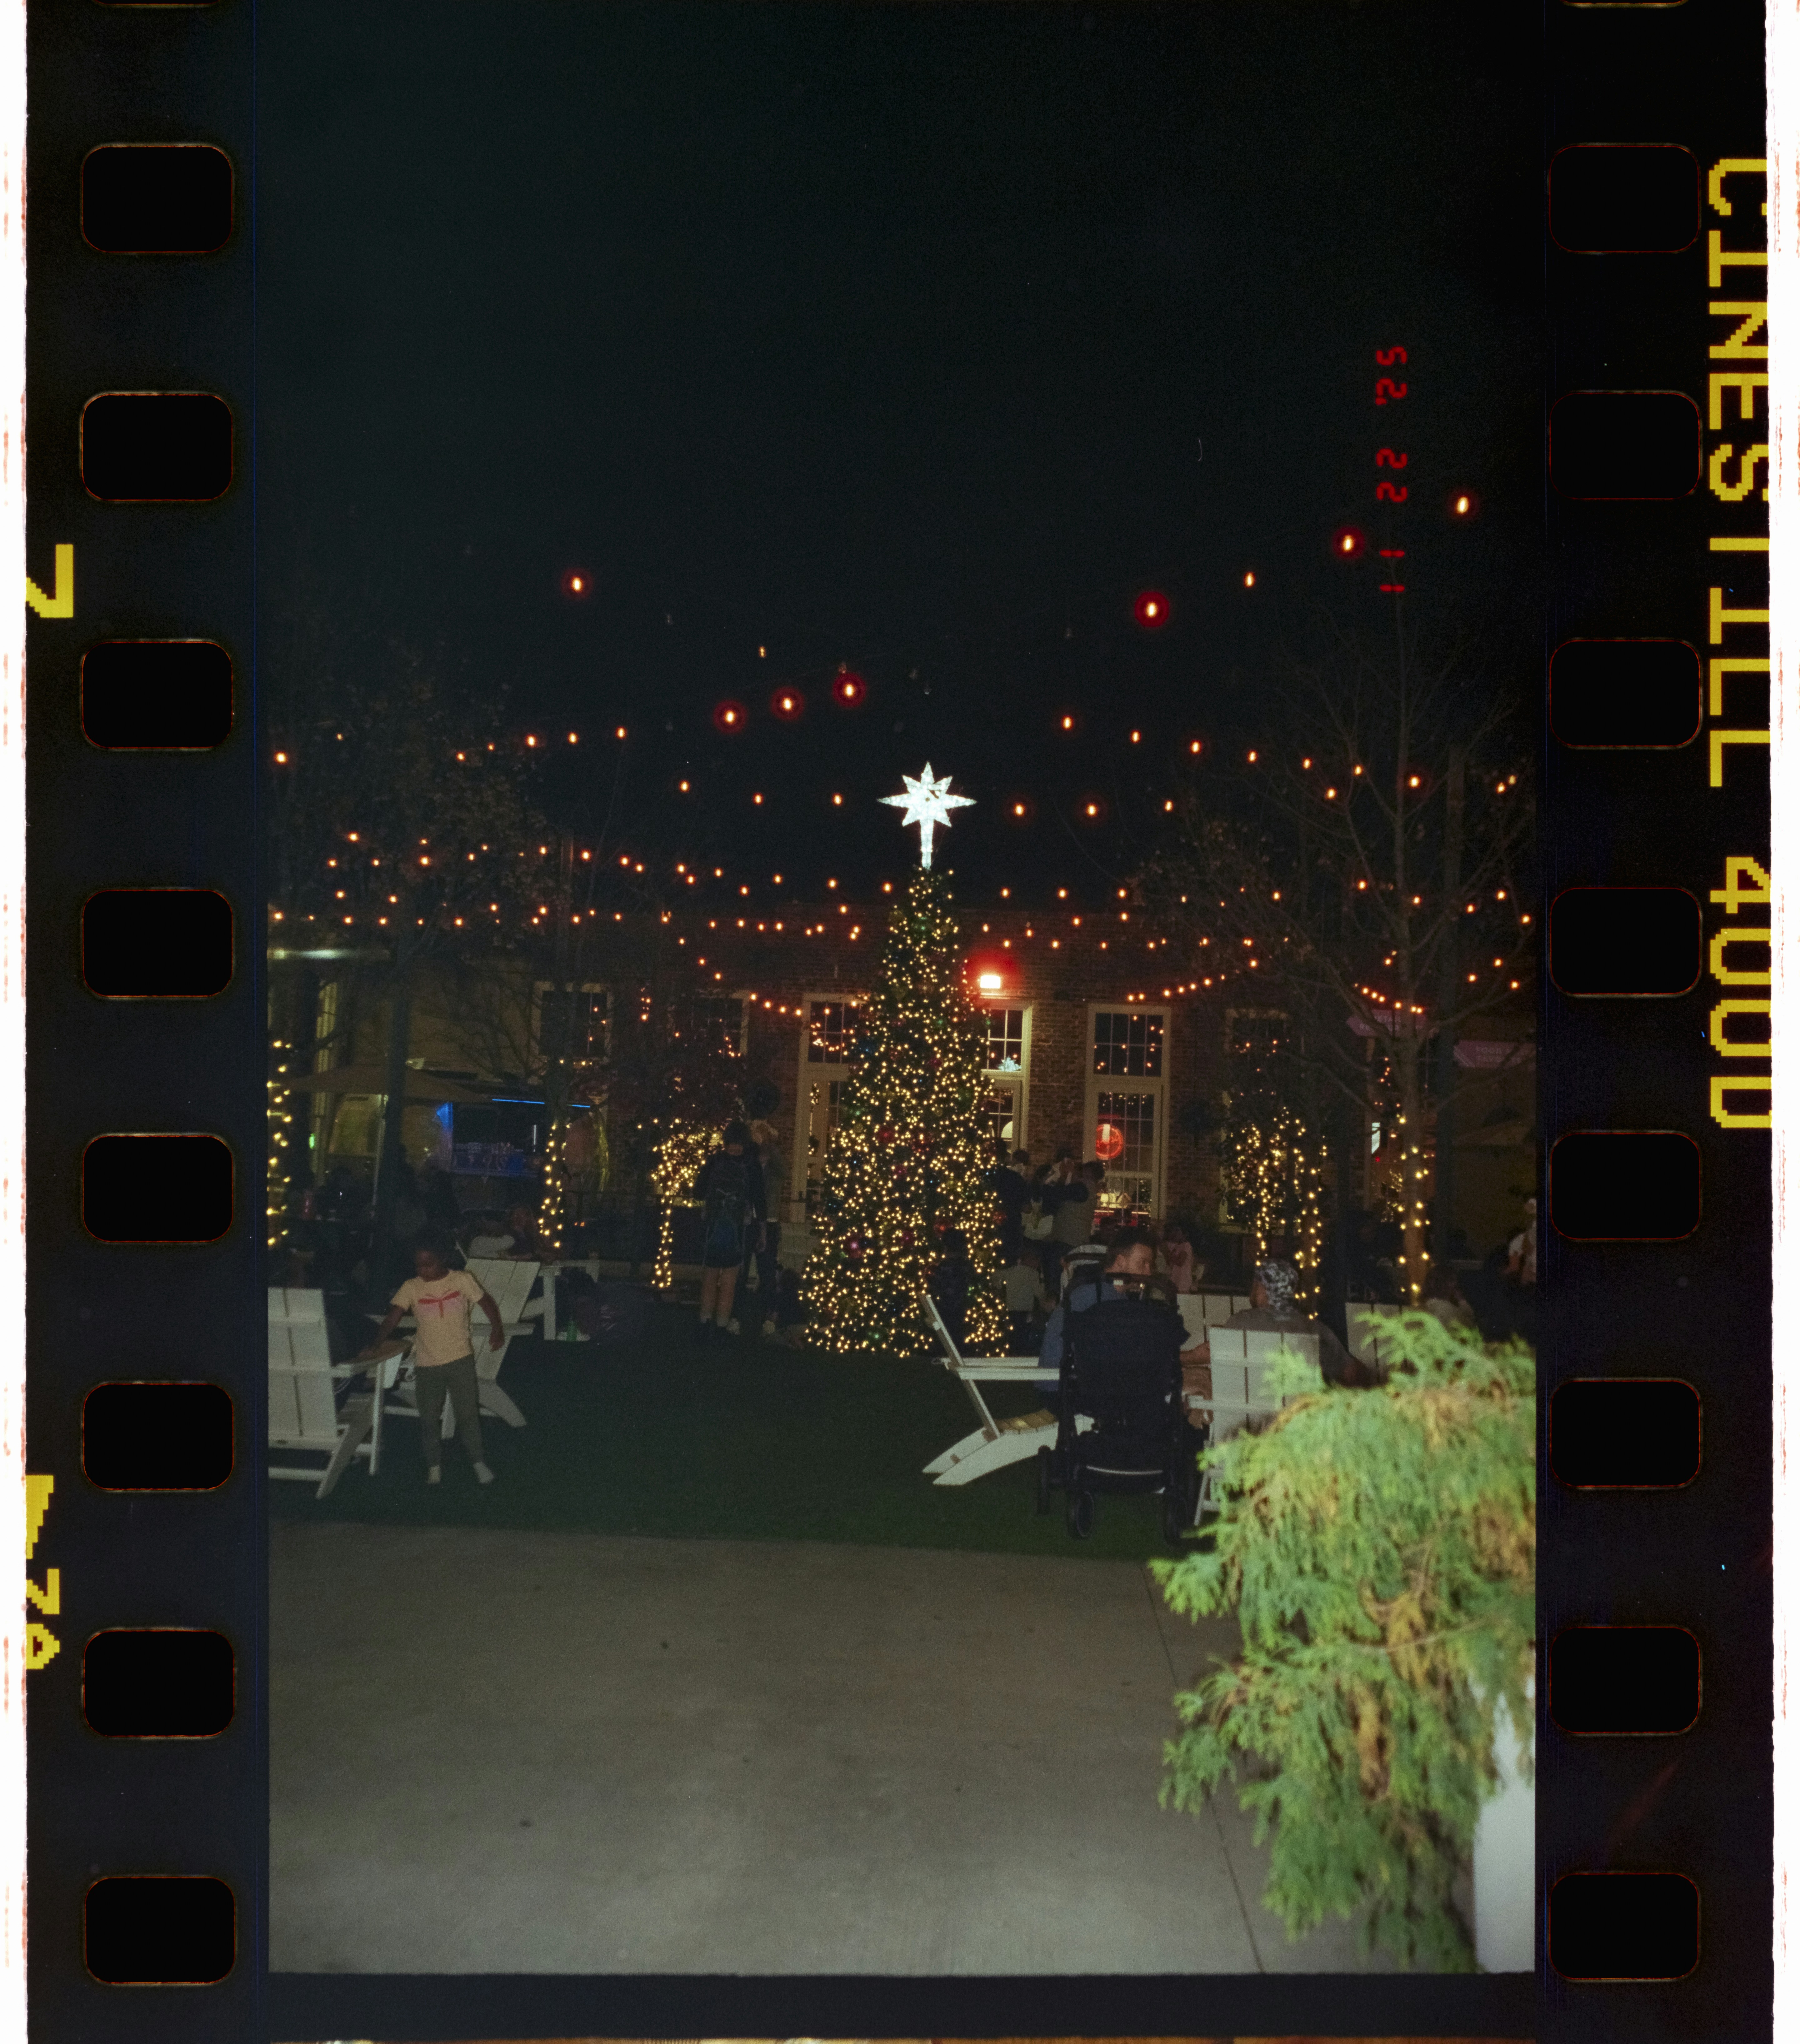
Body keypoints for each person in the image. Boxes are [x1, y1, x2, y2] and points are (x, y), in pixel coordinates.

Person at [362, 1233, 505, 1485]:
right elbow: (394, 1316)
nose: (423, 1270)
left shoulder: (462, 1281)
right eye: (419, 1265)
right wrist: (377, 1343)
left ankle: (478, 1461)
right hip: (428, 1363)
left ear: (443, 1261)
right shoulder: (412, 1288)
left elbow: (487, 1303)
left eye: (429, 1264)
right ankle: (434, 1465)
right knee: (429, 1417)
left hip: (460, 1359)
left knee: (468, 1413)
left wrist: (497, 1328)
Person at [1038, 1226, 1211, 1409]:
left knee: (1183, 1382)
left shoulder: (1109, 1293)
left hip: (1082, 1382)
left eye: (1150, 1265)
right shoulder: (1094, 1295)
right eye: (1143, 1263)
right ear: (1120, 1262)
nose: (1149, 1272)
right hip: (1065, 1390)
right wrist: (1191, 1357)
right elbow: (1128, 1355)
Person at [1227, 1257, 1372, 1388]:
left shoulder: (1240, 1323)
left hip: (1246, 1411)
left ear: (1262, 1288)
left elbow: (1214, 1355)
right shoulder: (1315, 1329)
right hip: (1300, 1413)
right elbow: (1354, 1375)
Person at [692, 1121, 765, 1337]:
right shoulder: (751, 1166)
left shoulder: (714, 1162)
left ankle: (705, 1321)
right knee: (730, 1281)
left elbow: (698, 1192)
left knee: (710, 1277)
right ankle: (723, 1325)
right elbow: (760, 1201)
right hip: (737, 1230)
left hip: (714, 1227)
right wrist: (763, 1233)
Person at [739, 1118, 787, 1337]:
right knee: (740, 1269)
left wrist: (771, 1149)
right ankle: (737, 1316)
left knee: (767, 1270)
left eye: (760, 1133)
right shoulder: (750, 1159)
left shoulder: (774, 1159)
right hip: (750, 1219)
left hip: (770, 1220)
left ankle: (769, 1316)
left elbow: (784, 1172)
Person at [929, 1228, 981, 1350]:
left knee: (948, 1333)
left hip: (947, 1305)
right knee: (956, 1332)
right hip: (960, 1304)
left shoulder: (946, 1266)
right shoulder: (965, 1265)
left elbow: (938, 1284)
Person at [997, 1242, 1050, 1353]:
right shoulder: (1032, 1274)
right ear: (1032, 1259)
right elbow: (1039, 1293)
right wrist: (1043, 1280)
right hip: (1024, 1311)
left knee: (1013, 1337)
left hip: (1011, 1310)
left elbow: (997, 1277)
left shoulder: (1011, 1271)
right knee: (1023, 1338)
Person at [986, 1139, 1029, 1265]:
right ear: (1005, 1156)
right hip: (1010, 1229)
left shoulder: (981, 1178)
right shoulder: (1016, 1179)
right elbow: (1027, 1207)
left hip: (986, 1230)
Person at [1159, 1222, 1198, 1294]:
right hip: (1175, 1277)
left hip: (1183, 1278)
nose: (1175, 1234)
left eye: (1178, 1232)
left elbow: (1181, 1262)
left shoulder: (1187, 1246)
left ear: (1184, 1235)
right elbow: (1170, 1262)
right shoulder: (1177, 1246)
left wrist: (1168, 1253)